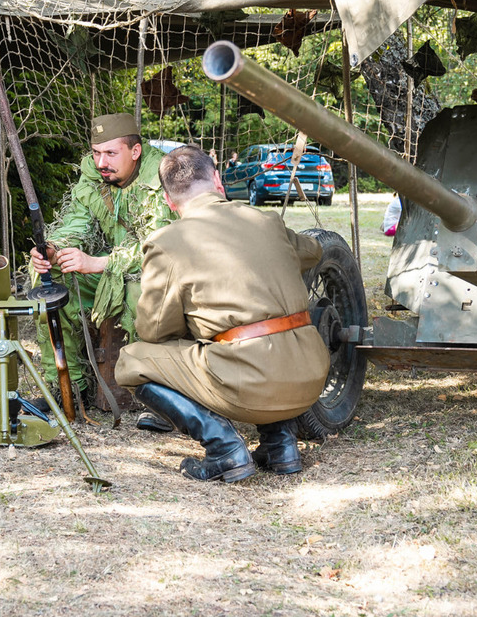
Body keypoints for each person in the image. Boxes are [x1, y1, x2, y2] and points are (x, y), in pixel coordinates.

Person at [115, 145, 330, 482]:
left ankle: (224, 446)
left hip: (250, 383)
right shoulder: (266, 220)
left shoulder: (167, 242)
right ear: (217, 179)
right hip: (311, 374)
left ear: (170, 201)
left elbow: (154, 330)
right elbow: (313, 250)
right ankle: (280, 444)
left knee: (132, 361)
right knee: (259, 331)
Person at [28, 113, 174, 411]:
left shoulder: (163, 177)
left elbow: (159, 248)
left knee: (139, 296)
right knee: (54, 286)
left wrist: (99, 263)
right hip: (113, 270)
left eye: (110, 153)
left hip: (163, 274)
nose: (100, 163)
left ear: (136, 152)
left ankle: (160, 398)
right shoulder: (95, 176)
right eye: (95, 153)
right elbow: (76, 221)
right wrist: (55, 249)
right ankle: (70, 387)